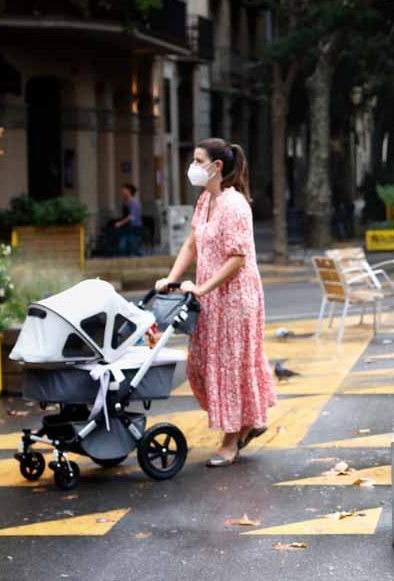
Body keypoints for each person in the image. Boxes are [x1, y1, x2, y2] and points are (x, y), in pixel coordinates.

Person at [155, 138, 275, 466]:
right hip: (207, 296)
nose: (192, 167)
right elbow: (191, 246)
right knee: (200, 365)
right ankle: (249, 421)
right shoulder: (204, 200)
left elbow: (237, 258)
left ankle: (231, 439)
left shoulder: (234, 205)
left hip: (235, 299)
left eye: (197, 160)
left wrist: (203, 287)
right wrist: (172, 279)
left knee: (230, 366)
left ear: (216, 166)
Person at [112, 183, 143, 256]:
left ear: (129, 191)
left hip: (134, 227)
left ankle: (139, 257)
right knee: (123, 246)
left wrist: (120, 223)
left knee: (132, 245)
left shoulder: (134, 203)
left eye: (124, 189)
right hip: (127, 227)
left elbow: (131, 217)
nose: (122, 191)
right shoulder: (126, 202)